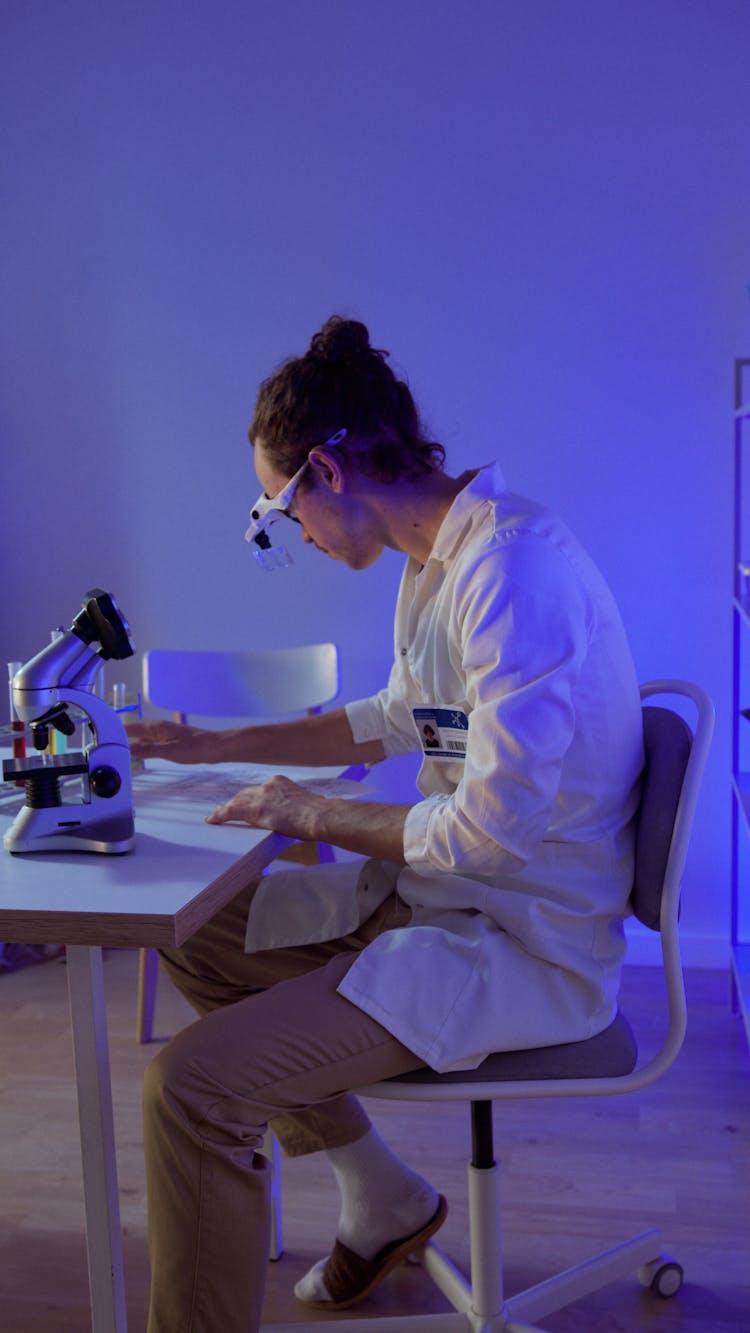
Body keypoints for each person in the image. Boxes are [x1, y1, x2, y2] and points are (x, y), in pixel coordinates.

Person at [126, 315, 644, 1333]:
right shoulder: (436, 563)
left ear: (327, 469)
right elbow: (387, 720)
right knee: (196, 936)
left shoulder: (513, 575)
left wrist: (308, 812)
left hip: (521, 944)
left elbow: (490, 837)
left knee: (189, 1090)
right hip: (447, 902)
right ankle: (383, 1195)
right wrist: (216, 746)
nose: (298, 539)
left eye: (281, 514)